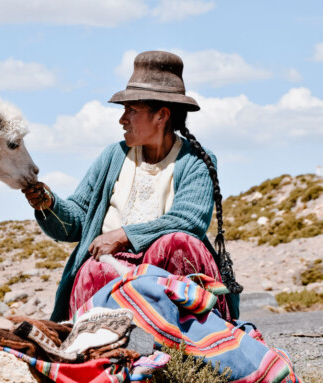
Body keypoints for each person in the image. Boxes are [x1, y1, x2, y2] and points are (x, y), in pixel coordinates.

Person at [22, 51, 242, 323]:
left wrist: (123, 235)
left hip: (166, 268)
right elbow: (78, 222)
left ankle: (188, 341)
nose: (122, 119)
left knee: (179, 243)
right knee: (94, 268)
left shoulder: (196, 161)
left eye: (132, 110)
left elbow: (189, 220)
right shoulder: (112, 156)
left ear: (162, 115)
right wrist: (48, 205)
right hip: (111, 266)